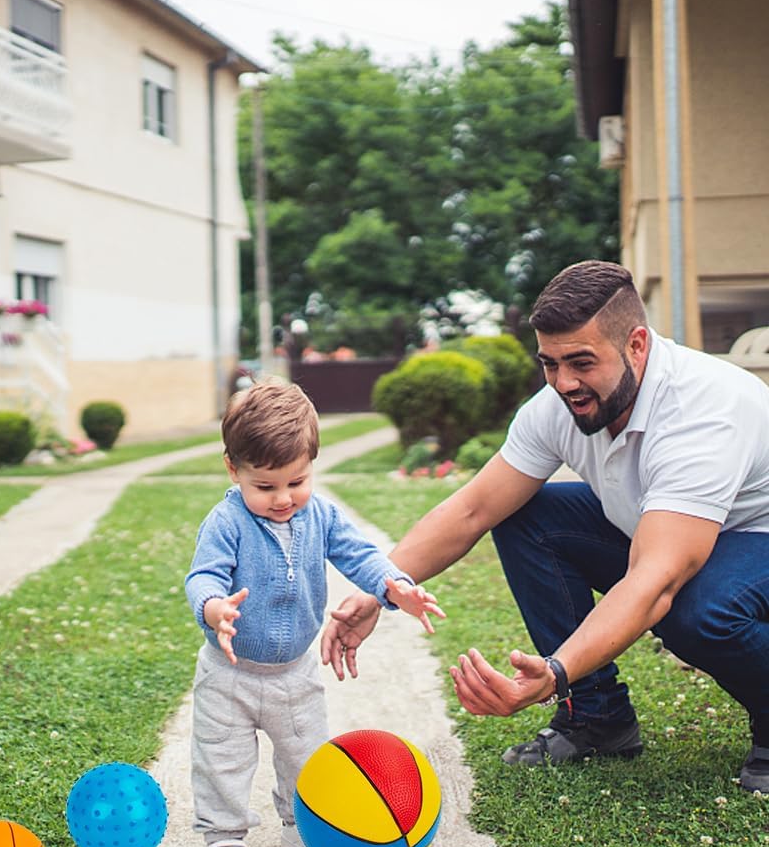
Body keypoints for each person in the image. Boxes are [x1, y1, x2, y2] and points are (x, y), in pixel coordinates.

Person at [321, 260, 769, 795]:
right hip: (671, 532)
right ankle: (598, 718)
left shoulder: (702, 412)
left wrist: (554, 672)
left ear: (637, 346)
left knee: (698, 610)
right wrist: (381, 587)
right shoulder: (557, 405)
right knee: (526, 515)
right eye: (550, 364)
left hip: (754, 537)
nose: (564, 383)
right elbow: (473, 510)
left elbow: (658, 580)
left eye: (581, 362)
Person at [185, 379, 443, 847]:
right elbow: (204, 576)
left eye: (296, 482)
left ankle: (299, 829)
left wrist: (397, 588)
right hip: (229, 674)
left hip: (294, 674)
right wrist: (214, 609)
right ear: (233, 470)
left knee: (305, 757)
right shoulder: (226, 521)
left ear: (311, 465)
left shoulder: (319, 515)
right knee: (221, 758)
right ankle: (224, 842)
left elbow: (361, 556)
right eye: (265, 487)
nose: (283, 499)